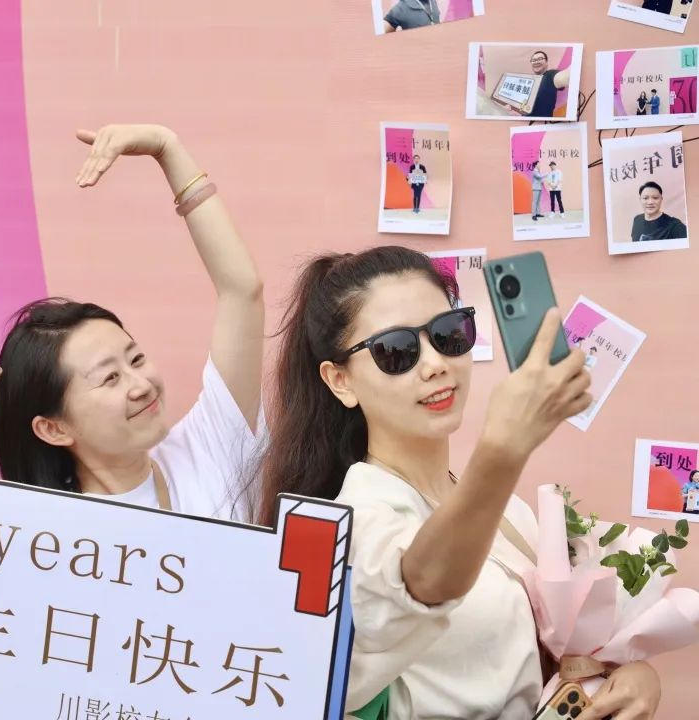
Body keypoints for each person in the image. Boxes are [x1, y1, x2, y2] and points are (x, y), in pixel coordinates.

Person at [254, 246, 662, 719]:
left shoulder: (511, 513)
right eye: (396, 351)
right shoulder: (354, 522)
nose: (434, 364)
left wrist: (627, 676)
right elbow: (420, 583)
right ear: (339, 381)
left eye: (448, 334)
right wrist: (502, 450)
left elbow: (548, 658)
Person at [0, 124, 265, 521]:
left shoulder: (208, 448)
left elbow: (242, 290)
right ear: (54, 429)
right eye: (110, 378)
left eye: (135, 359)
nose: (141, 385)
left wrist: (167, 148)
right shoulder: (51, 537)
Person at [526, 50, 571, 118]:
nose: (536, 62)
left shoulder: (550, 75)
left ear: (546, 62)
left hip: (540, 121)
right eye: (533, 60)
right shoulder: (531, 81)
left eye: (540, 59)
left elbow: (564, 77)